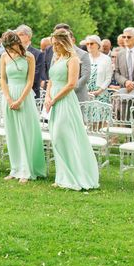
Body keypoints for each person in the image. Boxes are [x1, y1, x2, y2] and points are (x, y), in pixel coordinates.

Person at [44, 29, 99, 191]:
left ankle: (74, 174)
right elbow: (51, 80)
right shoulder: (57, 58)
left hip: (65, 102)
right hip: (53, 101)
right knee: (56, 136)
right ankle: (61, 176)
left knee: (64, 135)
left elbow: (71, 84)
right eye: (52, 44)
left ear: (63, 43)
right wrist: (48, 97)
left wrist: (54, 99)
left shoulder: (73, 59)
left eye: (56, 44)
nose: (53, 47)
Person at [0, 30, 46, 183]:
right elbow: (3, 79)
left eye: (11, 46)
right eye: (7, 47)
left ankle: (26, 169)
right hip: (8, 96)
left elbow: (30, 82)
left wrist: (19, 100)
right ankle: (15, 168)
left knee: (26, 132)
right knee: (12, 133)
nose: (9, 50)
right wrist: (8, 98)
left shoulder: (29, 57)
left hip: (24, 97)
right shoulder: (4, 57)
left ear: (17, 42)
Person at [43, 24, 90, 102]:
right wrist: (49, 95)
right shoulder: (56, 55)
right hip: (54, 94)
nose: (55, 46)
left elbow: (85, 77)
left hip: (76, 95)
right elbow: (52, 76)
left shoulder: (82, 54)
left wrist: (66, 91)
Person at [16, 24, 44, 98]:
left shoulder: (38, 54)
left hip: (32, 92)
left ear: (28, 36)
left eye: (21, 35)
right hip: (16, 91)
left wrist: (22, 86)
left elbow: (36, 75)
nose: (18, 37)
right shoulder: (14, 53)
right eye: (17, 35)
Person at [85, 35, 112, 103]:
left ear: (98, 45)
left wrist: (99, 91)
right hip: (86, 94)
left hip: (101, 94)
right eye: (87, 44)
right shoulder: (85, 58)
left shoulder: (106, 59)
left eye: (92, 43)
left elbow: (108, 78)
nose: (89, 45)